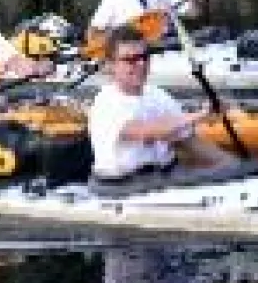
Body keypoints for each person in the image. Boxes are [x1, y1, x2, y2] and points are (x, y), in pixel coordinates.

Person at [87, 25, 238, 181]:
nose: (141, 64)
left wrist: (236, 167)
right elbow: (149, 131)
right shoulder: (105, 103)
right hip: (124, 186)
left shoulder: (157, 94)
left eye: (144, 56)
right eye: (130, 60)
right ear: (111, 65)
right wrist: (201, 114)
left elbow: (188, 141)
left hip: (165, 175)